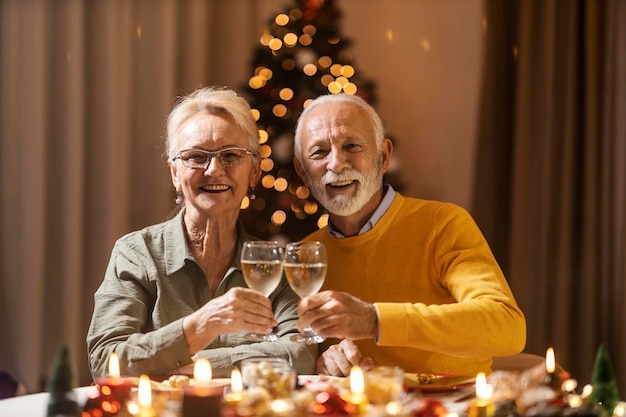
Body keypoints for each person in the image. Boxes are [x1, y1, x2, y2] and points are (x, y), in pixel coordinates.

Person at [87, 86, 316, 379]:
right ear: (174, 173)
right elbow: (105, 361)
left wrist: (195, 365)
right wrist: (200, 326)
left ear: (255, 171)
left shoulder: (276, 265)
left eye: (231, 155)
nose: (213, 170)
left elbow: (301, 354)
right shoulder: (136, 253)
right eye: (196, 156)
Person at [292, 93, 526, 377]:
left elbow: (506, 326)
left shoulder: (443, 224)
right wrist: (325, 362)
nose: (336, 164)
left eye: (351, 146)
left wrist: (375, 321)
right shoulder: (305, 255)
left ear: (384, 156)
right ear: (302, 172)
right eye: (319, 153)